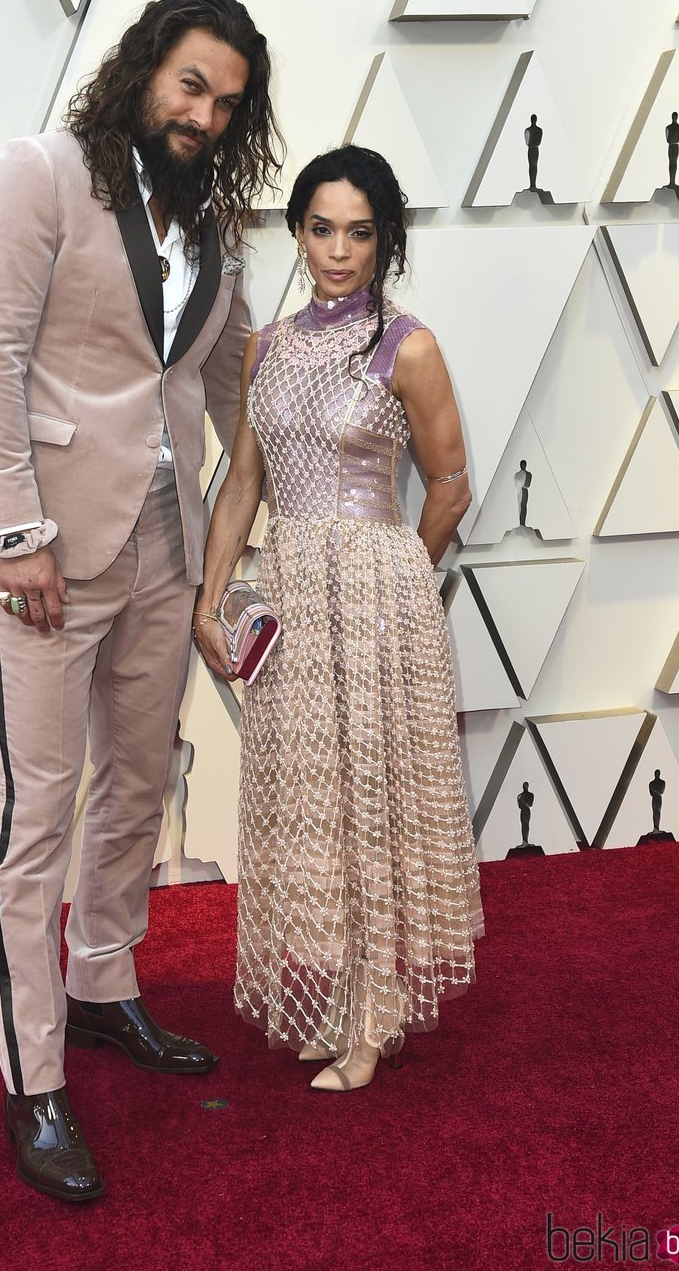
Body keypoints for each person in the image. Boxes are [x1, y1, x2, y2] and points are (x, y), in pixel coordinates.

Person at [0, 0, 281, 1201]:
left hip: (163, 543)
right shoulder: (41, 174)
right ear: (143, 70)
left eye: (227, 101)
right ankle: (33, 1077)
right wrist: (12, 530)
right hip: (47, 551)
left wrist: (288, 512)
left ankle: (100, 986)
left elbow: (225, 386)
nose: (203, 113)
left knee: (141, 780)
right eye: (190, 84)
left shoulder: (218, 227)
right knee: (37, 813)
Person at [195, 144, 484, 1093]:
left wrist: (399, 577)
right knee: (312, 803)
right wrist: (210, 598)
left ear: (387, 239)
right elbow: (244, 481)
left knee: (373, 805)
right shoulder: (265, 347)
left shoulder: (410, 346)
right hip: (290, 601)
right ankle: (340, 1001)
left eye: (360, 232)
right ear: (297, 233)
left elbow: (449, 484)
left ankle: (377, 1016)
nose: (338, 250)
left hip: (373, 604)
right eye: (321, 229)